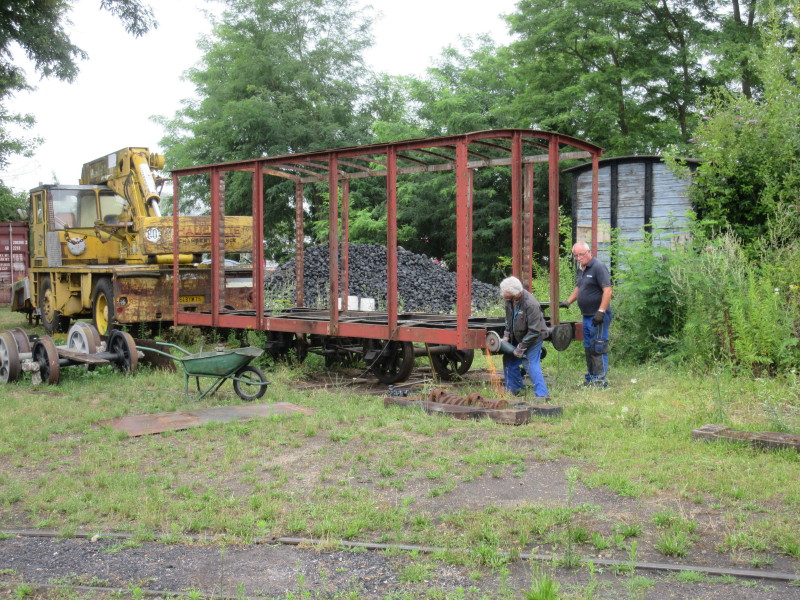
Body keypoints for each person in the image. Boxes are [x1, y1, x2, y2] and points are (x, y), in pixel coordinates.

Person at [560, 241, 613, 387]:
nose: (578, 258)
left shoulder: (598, 267)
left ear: (588, 252)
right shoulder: (582, 269)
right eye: (575, 255)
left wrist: (601, 311)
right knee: (588, 346)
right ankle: (591, 377)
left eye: (581, 255)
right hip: (587, 315)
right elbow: (579, 287)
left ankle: (600, 380)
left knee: (598, 345)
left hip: (598, 316)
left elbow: (608, 291)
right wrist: (568, 301)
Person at [499, 276, 549, 399]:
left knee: (530, 363)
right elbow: (508, 318)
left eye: (504, 291)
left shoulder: (530, 304)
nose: (502, 293)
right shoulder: (509, 300)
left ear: (514, 293)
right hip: (519, 334)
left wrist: (521, 348)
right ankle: (515, 389)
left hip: (534, 336)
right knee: (509, 359)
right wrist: (506, 335)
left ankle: (542, 395)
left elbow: (534, 330)